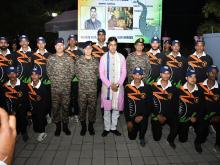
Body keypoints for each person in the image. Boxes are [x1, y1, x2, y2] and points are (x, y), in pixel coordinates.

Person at [46, 38, 75, 136]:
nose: (59, 47)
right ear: (55, 47)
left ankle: (65, 127)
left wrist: (66, 81)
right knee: (55, 108)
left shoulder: (68, 58)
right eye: (57, 45)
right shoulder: (51, 58)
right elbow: (48, 72)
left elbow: (72, 72)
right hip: (55, 89)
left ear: (64, 46)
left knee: (66, 108)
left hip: (66, 88)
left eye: (61, 45)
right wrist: (55, 81)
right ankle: (58, 127)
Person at [99, 37, 126, 137]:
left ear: (117, 45)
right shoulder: (103, 57)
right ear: (108, 46)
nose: (113, 47)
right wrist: (110, 85)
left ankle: (113, 127)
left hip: (119, 87)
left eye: (115, 45)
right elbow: (101, 74)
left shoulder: (122, 57)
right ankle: (106, 128)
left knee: (116, 109)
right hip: (107, 87)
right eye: (111, 45)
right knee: (106, 109)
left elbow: (124, 72)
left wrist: (118, 84)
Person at [151, 66, 179, 149]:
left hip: (168, 113)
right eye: (164, 73)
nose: (166, 75)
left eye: (168, 73)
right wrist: (158, 115)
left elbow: (175, 105)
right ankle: (158, 129)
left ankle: (170, 139)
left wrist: (165, 116)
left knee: (176, 123)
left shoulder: (174, 88)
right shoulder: (153, 86)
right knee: (156, 138)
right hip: (156, 113)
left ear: (170, 75)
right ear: (160, 74)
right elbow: (150, 104)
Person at [177, 69, 205, 153]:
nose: (193, 79)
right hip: (184, 117)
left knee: (203, 128)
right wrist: (186, 117)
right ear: (186, 78)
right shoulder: (179, 90)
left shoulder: (200, 90)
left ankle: (197, 143)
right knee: (182, 140)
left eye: (194, 77)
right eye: (190, 77)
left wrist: (196, 117)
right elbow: (175, 107)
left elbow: (203, 107)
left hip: (195, 116)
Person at [124, 67, 153, 146]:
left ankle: (142, 136)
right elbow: (126, 105)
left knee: (143, 127)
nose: (137, 77)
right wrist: (128, 120)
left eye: (139, 75)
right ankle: (134, 128)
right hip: (132, 116)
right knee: (131, 137)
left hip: (142, 116)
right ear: (132, 75)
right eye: (135, 75)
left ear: (142, 76)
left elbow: (150, 104)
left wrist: (143, 116)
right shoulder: (128, 87)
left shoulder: (147, 87)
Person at [75, 41, 99, 136]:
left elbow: (98, 74)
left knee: (92, 109)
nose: (88, 50)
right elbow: (76, 73)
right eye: (86, 48)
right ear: (84, 49)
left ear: (92, 49)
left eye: (90, 48)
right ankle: (84, 126)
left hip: (93, 89)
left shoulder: (96, 61)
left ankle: (91, 126)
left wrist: (91, 80)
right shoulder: (79, 60)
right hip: (82, 90)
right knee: (82, 108)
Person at [1, 66, 29, 142]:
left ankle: (24, 132)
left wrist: (16, 109)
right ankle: (14, 134)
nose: (12, 75)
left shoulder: (23, 85)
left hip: (20, 107)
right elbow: (3, 99)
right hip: (9, 107)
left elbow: (25, 99)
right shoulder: (4, 86)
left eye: (13, 73)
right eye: (10, 74)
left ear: (17, 74)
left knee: (22, 120)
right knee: (11, 122)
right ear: (7, 75)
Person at [198, 65, 220, 152]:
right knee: (202, 133)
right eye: (211, 72)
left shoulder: (219, 88)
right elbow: (197, 103)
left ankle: (218, 144)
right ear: (207, 74)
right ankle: (198, 142)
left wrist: (218, 115)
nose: (213, 74)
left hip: (215, 114)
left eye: (215, 72)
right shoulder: (200, 86)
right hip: (203, 113)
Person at [27, 67, 50, 142]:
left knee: (40, 120)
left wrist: (43, 111)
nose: (34, 76)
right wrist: (28, 110)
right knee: (35, 128)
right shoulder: (28, 86)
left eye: (36, 74)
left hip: (41, 108)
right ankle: (44, 121)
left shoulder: (43, 88)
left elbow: (46, 102)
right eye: (32, 74)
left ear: (40, 76)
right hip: (32, 107)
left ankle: (43, 133)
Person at [65, 34, 83, 123]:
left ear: (76, 41)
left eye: (74, 40)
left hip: (77, 79)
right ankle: (69, 114)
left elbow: (83, 65)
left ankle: (76, 114)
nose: (72, 41)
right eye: (70, 40)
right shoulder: (64, 51)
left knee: (76, 98)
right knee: (67, 97)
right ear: (68, 41)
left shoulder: (80, 52)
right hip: (66, 79)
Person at [33, 36, 52, 124]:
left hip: (48, 81)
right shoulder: (33, 55)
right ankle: (40, 116)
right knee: (38, 99)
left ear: (45, 44)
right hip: (37, 82)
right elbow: (31, 69)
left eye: (42, 43)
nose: (41, 45)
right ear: (37, 44)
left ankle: (48, 115)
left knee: (48, 99)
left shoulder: (50, 55)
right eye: (39, 43)